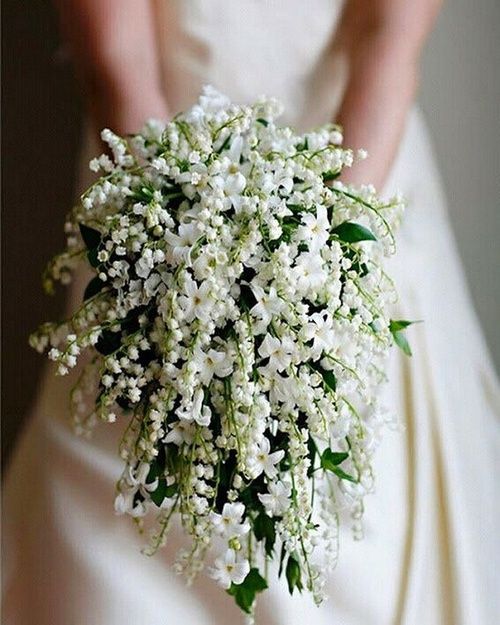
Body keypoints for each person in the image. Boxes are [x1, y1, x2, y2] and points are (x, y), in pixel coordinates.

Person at [4, 1, 499, 623]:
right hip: (154, 183)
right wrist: (172, 247)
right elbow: (117, 66)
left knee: (363, 540)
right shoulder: (157, 210)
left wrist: (322, 257)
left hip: (360, 156)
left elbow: (389, 44)